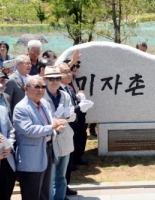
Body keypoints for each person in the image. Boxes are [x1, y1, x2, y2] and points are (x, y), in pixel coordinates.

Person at [13, 75, 67, 200]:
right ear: (26, 88)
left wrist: (56, 128)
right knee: (32, 193)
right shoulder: (21, 108)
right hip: (31, 156)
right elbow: (28, 130)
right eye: (37, 86)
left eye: (43, 86)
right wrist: (51, 127)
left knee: (45, 191)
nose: (41, 90)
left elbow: (49, 123)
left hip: (47, 150)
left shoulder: (44, 103)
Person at [42, 66, 76, 200]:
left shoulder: (65, 95)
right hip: (50, 141)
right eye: (51, 78)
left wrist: (67, 116)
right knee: (50, 178)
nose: (55, 81)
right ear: (45, 79)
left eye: (57, 78)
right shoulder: (41, 96)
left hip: (65, 139)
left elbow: (72, 116)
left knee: (62, 176)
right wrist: (53, 121)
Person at [59, 62, 89, 196]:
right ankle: (61, 190)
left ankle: (65, 187)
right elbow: (64, 112)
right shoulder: (58, 91)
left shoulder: (69, 89)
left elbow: (73, 106)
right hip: (63, 130)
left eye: (69, 71)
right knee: (62, 165)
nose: (69, 74)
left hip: (72, 128)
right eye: (65, 72)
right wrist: (79, 106)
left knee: (68, 161)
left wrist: (80, 101)